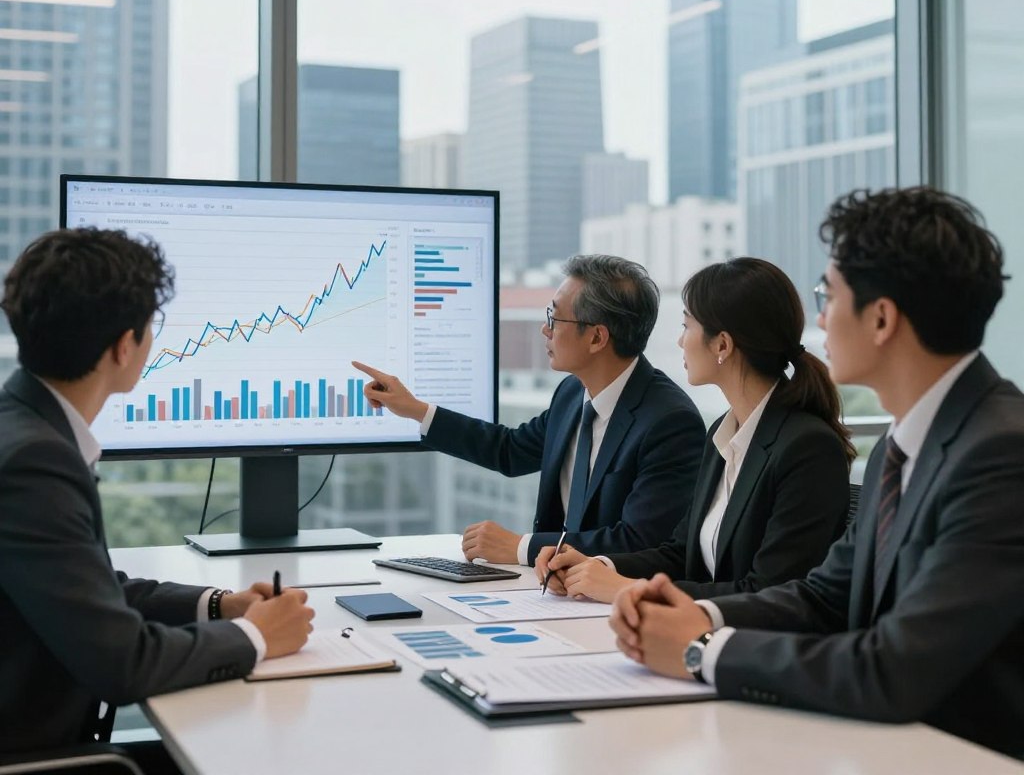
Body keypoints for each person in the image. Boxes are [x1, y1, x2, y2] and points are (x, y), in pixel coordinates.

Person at [610, 188, 1024, 759]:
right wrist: (695, 613)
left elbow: (893, 668)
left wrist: (703, 650)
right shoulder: (899, 447)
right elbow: (825, 597)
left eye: (828, 295)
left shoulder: (1002, 452)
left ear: (881, 318)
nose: (821, 316)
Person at [0, 228, 315, 758]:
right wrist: (256, 637)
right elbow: (124, 665)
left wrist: (218, 605)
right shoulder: (34, 461)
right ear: (126, 345)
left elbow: (85, 589)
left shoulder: (24, 428)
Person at [536, 257, 853, 603]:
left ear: (722, 345)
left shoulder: (807, 448)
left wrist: (627, 589)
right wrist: (596, 566)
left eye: (687, 326)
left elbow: (767, 593)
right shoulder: (725, 432)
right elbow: (681, 554)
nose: (679, 341)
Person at [354, 254, 705, 566]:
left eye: (555, 317)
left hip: (611, 605)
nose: (544, 329)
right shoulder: (572, 393)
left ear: (597, 338)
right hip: (552, 592)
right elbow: (510, 451)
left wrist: (521, 547)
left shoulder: (669, 422)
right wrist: (416, 409)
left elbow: (640, 541)